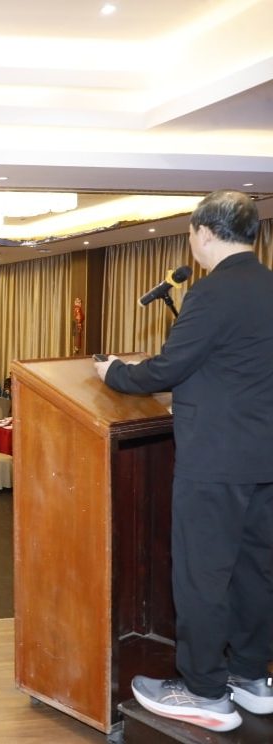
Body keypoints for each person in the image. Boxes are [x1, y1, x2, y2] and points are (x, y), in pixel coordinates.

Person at [95, 191, 273, 733]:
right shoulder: (268, 284)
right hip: (263, 460)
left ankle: (204, 691)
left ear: (204, 233)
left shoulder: (211, 292)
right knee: (256, 571)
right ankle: (251, 676)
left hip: (214, 462)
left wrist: (112, 373)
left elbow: (167, 369)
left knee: (203, 575)